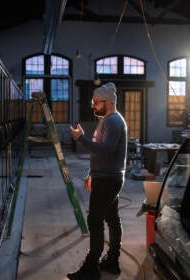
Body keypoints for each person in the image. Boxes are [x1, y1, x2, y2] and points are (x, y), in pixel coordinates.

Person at [68, 82, 127, 280]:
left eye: (96, 102)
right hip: (106, 177)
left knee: (95, 220)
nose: (92, 106)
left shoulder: (113, 122)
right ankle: (112, 260)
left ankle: (91, 268)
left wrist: (81, 139)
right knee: (111, 218)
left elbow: (107, 151)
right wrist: (92, 173)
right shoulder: (108, 120)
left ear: (108, 102)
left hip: (108, 180)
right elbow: (102, 153)